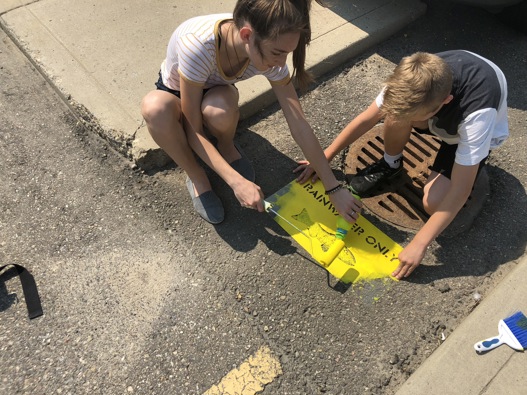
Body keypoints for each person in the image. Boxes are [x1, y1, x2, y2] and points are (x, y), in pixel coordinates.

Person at [141, 0, 361, 224]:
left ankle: (226, 145)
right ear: (246, 35)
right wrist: (236, 182)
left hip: (215, 90)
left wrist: (333, 187)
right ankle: (197, 177)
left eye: (287, 52)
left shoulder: (269, 48)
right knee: (154, 108)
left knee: (220, 112)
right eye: (277, 52)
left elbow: (299, 124)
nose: (281, 62)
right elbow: (193, 129)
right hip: (177, 90)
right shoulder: (198, 46)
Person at [295, 50, 509, 279]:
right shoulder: (411, 81)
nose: (410, 123)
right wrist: (324, 157)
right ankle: (391, 164)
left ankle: (465, 159)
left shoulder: (477, 116)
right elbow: (368, 117)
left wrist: (420, 243)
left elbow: (460, 189)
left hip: (459, 134)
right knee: (395, 114)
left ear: (445, 101)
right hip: (436, 115)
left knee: (434, 203)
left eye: (415, 118)